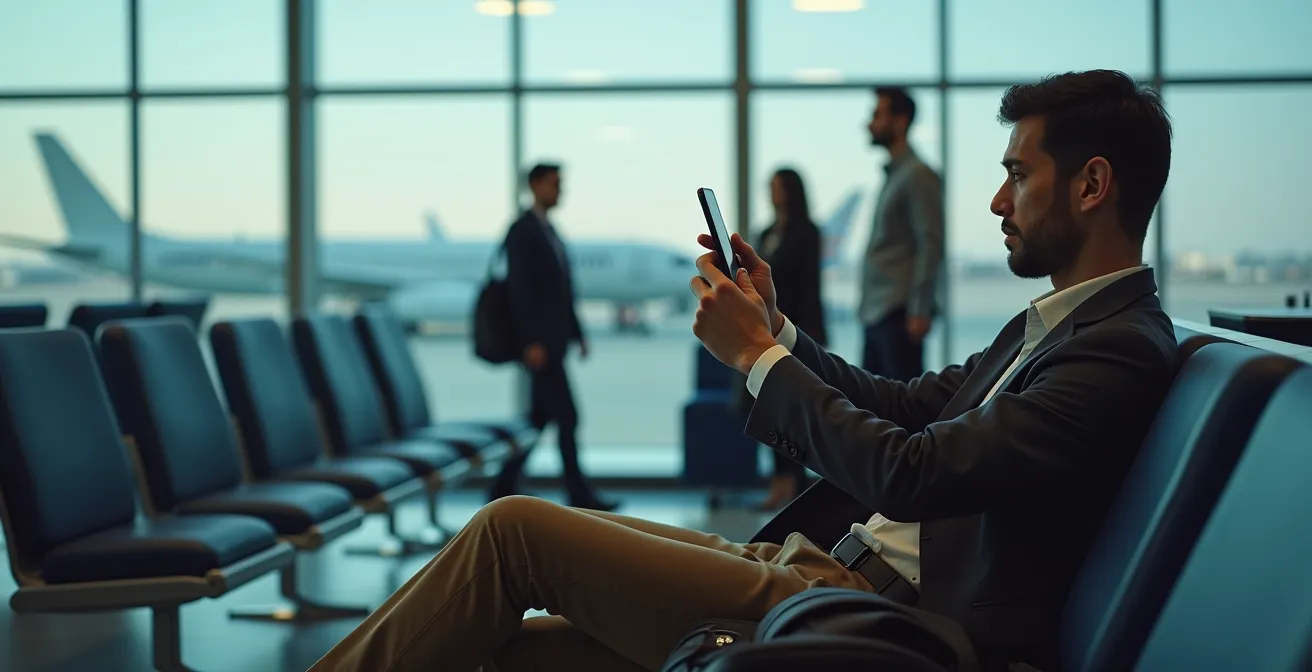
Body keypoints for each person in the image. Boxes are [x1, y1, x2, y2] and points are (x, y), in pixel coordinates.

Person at [307, 70, 1178, 672]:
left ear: (1092, 185)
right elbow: (904, 404)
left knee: (512, 533)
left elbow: (911, 475)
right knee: (513, 646)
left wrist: (755, 359)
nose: (996, 201)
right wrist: (782, 334)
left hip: (875, 619)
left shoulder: (1113, 348)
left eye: (1016, 175)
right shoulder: (1053, 328)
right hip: (819, 568)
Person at [492, 163, 615, 511]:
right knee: (567, 417)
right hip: (540, 347)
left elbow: (561, 291)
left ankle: (501, 488)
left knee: (540, 419)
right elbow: (521, 291)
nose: (561, 190)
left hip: (554, 344)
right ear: (534, 185)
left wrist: (578, 333)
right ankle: (579, 495)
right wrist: (530, 341)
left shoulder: (549, 231)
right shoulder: (523, 231)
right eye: (554, 184)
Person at [732, 167, 828, 510]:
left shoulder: (807, 232)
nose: (773, 194)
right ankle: (780, 483)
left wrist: (814, 338)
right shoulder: (767, 231)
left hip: (796, 329)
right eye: (770, 187)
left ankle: (795, 486)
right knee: (765, 408)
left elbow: (811, 288)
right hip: (765, 330)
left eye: (779, 187)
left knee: (793, 410)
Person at [860, 86, 944, 381]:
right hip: (878, 312)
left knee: (902, 413)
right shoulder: (895, 175)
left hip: (899, 313)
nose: (869, 123)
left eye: (876, 115)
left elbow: (931, 243)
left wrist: (919, 310)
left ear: (900, 121)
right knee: (874, 409)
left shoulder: (918, 175)